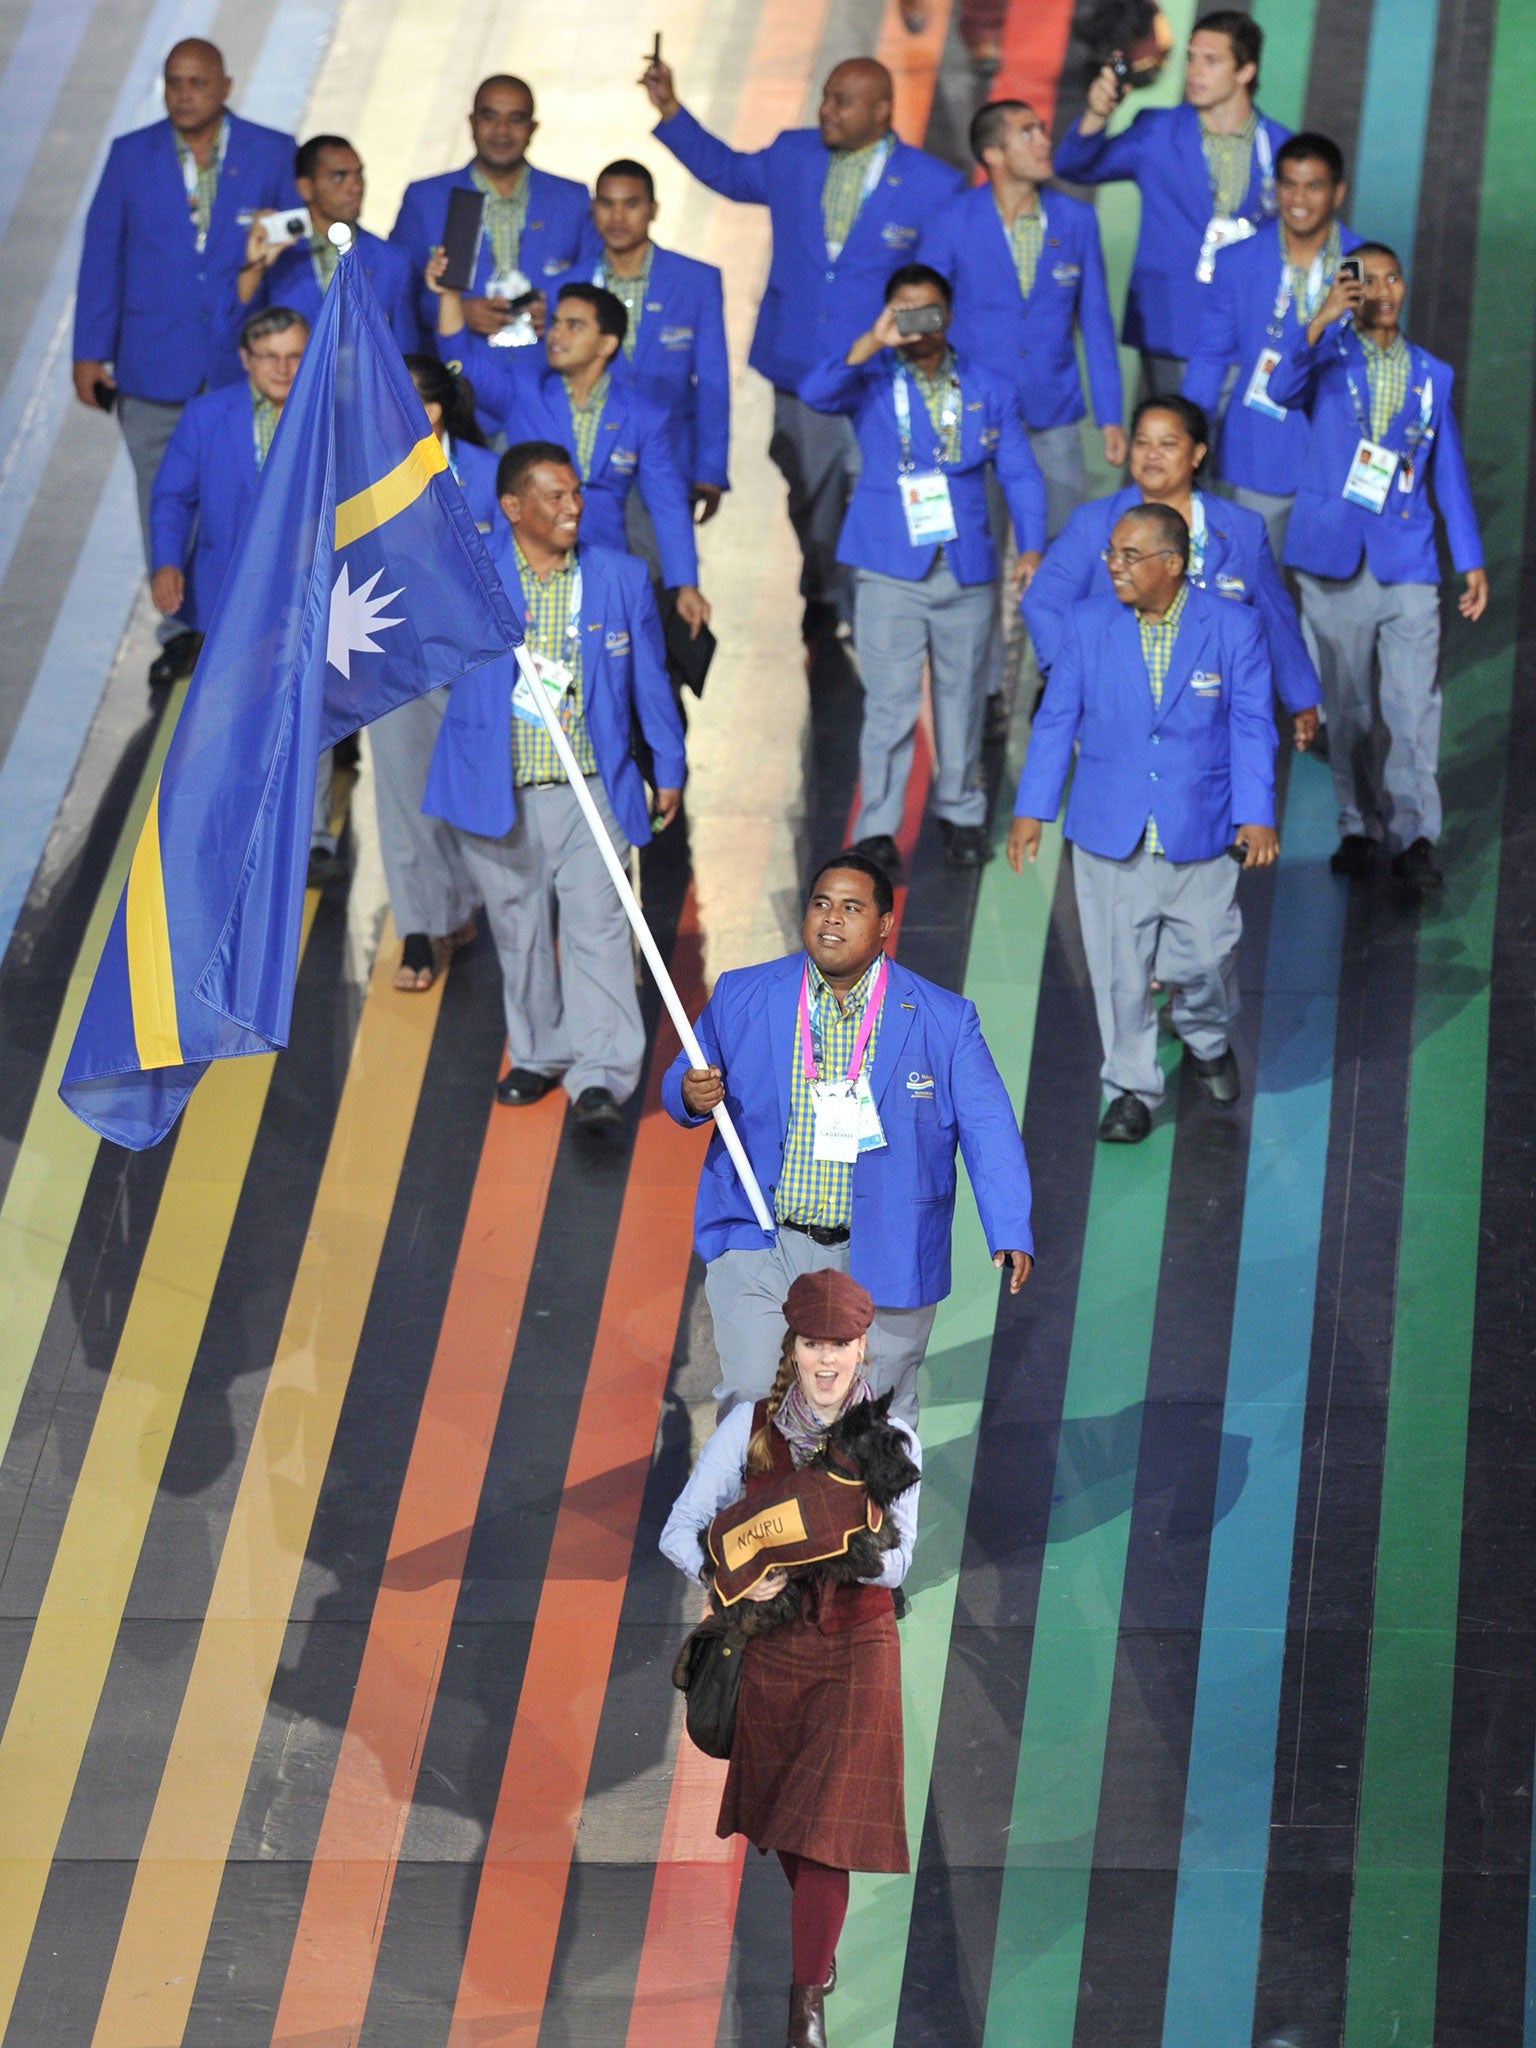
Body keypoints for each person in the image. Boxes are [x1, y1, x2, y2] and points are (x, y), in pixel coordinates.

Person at [662, 851, 1033, 1422]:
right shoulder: (743, 994)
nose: (832, 918)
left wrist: (1009, 1226)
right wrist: (689, 1093)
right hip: (764, 1241)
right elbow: (686, 1073)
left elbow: (991, 1128)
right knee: (755, 1401)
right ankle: (770, 1512)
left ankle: (867, 1512)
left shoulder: (943, 1018)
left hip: (884, 1249)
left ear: (885, 924)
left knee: (874, 1418)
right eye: (821, 904)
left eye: (851, 907)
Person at [660, 1268, 919, 2048]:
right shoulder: (751, 1429)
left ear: (863, 1347)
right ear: (794, 1349)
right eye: (814, 1344)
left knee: (828, 1830)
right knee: (786, 1823)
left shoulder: (892, 1437)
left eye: (841, 1345)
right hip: (774, 1650)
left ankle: (804, 2000)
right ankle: (818, 1950)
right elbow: (680, 1531)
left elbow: (901, 1562)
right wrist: (736, 1573)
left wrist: (809, 1552)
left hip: (859, 1646)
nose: (829, 1360)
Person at [641, 52, 964, 640]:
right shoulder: (793, 154)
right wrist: (670, 109)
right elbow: (731, 172)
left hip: (875, 375)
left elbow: (942, 277)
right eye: (826, 96)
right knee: (810, 493)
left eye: (842, 100)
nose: (826, 109)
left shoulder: (932, 185)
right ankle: (823, 586)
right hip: (795, 365)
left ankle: (859, 602)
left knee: (868, 485)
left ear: (882, 110)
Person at [422, 441, 687, 1129]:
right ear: (512, 508)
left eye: (576, 494)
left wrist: (670, 767)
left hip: (591, 789)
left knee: (599, 929)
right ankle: (539, 1053)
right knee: (519, 929)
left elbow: (651, 684)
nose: (573, 508)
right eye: (554, 496)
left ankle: (602, 1075)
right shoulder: (469, 577)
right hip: (495, 789)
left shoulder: (620, 578)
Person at [1010, 504, 1278, 1143]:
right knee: (1117, 970)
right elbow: (1055, 720)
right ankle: (1130, 1087)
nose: (1114, 567)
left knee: (1208, 959)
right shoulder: (1087, 624)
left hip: (1203, 831)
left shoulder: (1233, 628)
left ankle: (1208, 1036)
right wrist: (1032, 808)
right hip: (1108, 831)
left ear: (1173, 564)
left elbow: (1251, 726)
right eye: (1111, 554)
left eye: (1130, 557)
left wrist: (1256, 814)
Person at [799, 264, 1048, 877]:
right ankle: (877, 828)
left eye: (929, 310)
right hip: (888, 565)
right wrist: (871, 341)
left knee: (963, 697)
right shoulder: (870, 378)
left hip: (965, 566)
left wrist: (1035, 545)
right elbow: (815, 392)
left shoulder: (990, 386)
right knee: (889, 702)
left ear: (950, 314)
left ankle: (961, 812)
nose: (919, 324)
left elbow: (1018, 470)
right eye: (904, 312)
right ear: (889, 316)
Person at [73, 38, 296, 685]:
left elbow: (286, 253)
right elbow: (102, 255)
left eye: (197, 82)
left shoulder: (271, 152)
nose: (184, 93)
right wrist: (91, 350)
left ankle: (240, 621)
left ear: (225, 86)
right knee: (161, 500)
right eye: (174, 82)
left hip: (239, 367)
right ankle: (180, 632)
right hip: (152, 367)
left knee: (239, 494)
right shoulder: (130, 156)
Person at [1266, 244, 1487, 895]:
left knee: (1414, 706)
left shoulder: (1432, 374)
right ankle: (1360, 823)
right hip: (1332, 562)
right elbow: (1279, 388)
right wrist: (1320, 317)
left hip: (1409, 561)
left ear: (1404, 285)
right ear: (1351, 290)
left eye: (1392, 277)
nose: (1382, 290)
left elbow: (1447, 471)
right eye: (1367, 280)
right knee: (1350, 710)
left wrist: (1468, 558)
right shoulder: (1327, 362)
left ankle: (1418, 834)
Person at [149, 306, 344, 884]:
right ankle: (233, 829)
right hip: (227, 594)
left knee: (306, 708)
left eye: (295, 356)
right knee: (230, 715)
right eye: (270, 357)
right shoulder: (209, 415)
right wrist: (165, 562)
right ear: (245, 359)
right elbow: (171, 498)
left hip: (307, 588)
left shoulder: (333, 414)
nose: (284, 369)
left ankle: (309, 838)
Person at [1023, 395, 1320, 748]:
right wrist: (1079, 682)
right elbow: (1043, 602)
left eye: (1167, 444)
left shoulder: (1241, 528)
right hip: (1116, 715)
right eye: (1142, 442)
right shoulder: (1093, 523)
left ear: (1196, 454)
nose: (1151, 454)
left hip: (1214, 718)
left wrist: (1301, 697)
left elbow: (1274, 617)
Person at [433, 274, 711, 636]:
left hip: (603, 567)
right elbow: (459, 360)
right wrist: (449, 292)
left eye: (574, 326)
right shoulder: (522, 391)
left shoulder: (643, 415)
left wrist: (685, 585)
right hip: (526, 567)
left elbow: (668, 503)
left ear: (607, 343)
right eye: (556, 323)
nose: (557, 334)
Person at [1053, 11, 1289, 396]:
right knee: (1172, 448)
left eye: (1211, 61)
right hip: (1171, 319)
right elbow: (1074, 167)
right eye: (1192, 58)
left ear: (1245, 71)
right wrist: (1097, 113)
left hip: (1249, 326)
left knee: (1235, 453)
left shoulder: (1281, 147)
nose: (1194, 71)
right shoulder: (1156, 131)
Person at [920, 98, 1125, 536]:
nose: (1043, 142)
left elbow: (1096, 324)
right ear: (993, 154)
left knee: (1060, 560)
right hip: (975, 416)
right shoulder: (951, 221)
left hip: (1053, 417)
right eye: (1027, 133)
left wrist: (1110, 417)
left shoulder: (1076, 220)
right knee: (976, 550)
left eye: (1042, 130)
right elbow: (922, 316)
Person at [367, 354, 496, 993]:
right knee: (401, 796)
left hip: (475, 667)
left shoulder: (491, 474)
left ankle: (464, 902)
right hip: (393, 663)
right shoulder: (360, 477)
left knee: (471, 790)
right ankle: (419, 925)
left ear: (436, 409)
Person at [1182, 132, 1360, 557]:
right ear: (1276, 188)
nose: (1298, 198)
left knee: (1329, 607)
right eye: (1288, 184)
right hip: (1256, 456)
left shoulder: (1365, 265)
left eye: (1313, 186)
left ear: (1337, 193)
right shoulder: (1237, 261)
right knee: (1253, 593)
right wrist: (1185, 435)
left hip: (1338, 461)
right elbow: (1211, 357)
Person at [553, 158, 731, 527]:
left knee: (662, 573)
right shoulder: (563, 286)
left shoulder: (696, 282)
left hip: (668, 462)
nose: (618, 217)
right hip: (585, 467)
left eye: (631, 204)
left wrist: (710, 469)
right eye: (607, 203)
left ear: (653, 209)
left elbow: (713, 382)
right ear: (593, 209)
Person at [389, 75, 591, 353]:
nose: (502, 131)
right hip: (456, 374)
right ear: (472, 123)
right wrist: (453, 310)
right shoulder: (425, 199)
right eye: (490, 117)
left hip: (550, 376)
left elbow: (597, 283)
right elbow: (398, 293)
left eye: (516, 119)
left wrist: (558, 309)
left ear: (533, 128)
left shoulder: (573, 200)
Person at [228, 134, 417, 352]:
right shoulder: (275, 256)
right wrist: (254, 268)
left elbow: (405, 355)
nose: (355, 187)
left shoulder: (393, 262)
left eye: (359, 174)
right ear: (305, 188)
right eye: (339, 176)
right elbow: (233, 335)